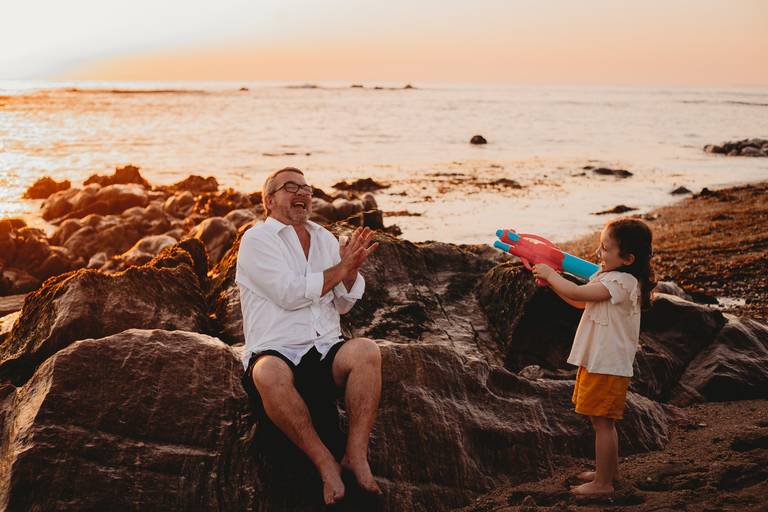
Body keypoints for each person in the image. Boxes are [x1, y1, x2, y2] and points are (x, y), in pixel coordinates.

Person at [236, 167, 382, 505]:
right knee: (266, 373)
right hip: (277, 351)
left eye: (306, 188)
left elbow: (343, 303)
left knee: (366, 351)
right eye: (290, 186)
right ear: (269, 200)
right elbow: (288, 293)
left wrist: (350, 271)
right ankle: (325, 463)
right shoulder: (257, 240)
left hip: (325, 348)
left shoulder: (325, 239)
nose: (302, 192)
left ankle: (355, 455)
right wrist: (340, 269)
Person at [532, 218, 654, 496]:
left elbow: (576, 291)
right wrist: (552, 283)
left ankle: (603, 484)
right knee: (600, 421)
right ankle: (607, 472)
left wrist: (551, 274)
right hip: (598, 360)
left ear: (628, 259)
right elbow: (579, 300)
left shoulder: (622, 282)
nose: (599, 252)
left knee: (602, 424)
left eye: (606, 248)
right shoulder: (609, 277)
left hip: (607, 363)